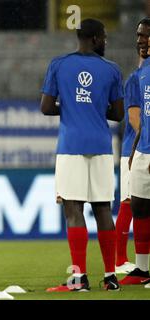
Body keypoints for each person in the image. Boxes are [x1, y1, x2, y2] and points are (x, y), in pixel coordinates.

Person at [41, 19, 124, 292]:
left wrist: (70, 106)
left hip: (71, 145)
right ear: (97, 39)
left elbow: (45, 107)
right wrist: (95, 107)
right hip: (101, 145)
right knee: (102, 209)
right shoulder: (111, 70)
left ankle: (79, 279)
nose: (106, 43)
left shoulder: (59, 64)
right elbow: (118, 114)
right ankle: (110, 277)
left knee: (73, 209)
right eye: (105, 38)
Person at [115, 18, 150, 276]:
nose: (141, 41)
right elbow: (138, 118)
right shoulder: (138, 75)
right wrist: (138, 148)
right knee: (134, 204)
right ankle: (131, 264)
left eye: (145, 36)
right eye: (138, 36)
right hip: (139, 149)